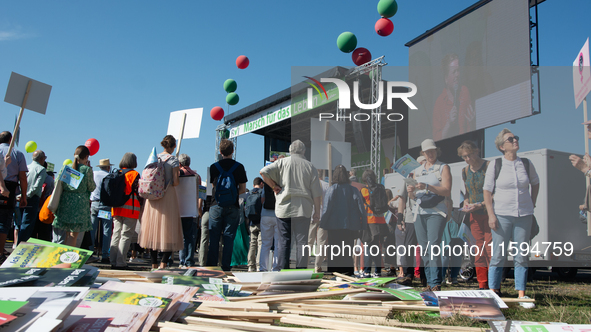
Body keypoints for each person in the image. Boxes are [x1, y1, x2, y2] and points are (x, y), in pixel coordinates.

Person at [483, 129, 538, 309]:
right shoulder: (495, 164)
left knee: (522, 255)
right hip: (501, 215)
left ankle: (521, 293)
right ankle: (493, 292)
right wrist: (491, 214)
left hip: (524, 215)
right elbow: (487, 191)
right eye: (510, 139)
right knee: (498, 255)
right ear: (501, 146)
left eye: (516, 138)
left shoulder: (526, 164)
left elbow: (535, 183)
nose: (515, 141)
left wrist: (532, 204)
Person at [260, 140, 322, 270]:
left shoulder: (282, 162)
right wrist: (317, 212)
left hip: (284, 208)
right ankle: (300, 271)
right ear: (304, 151)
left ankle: (283, 272)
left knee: (283, 242)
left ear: (290, 151)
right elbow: (316, 193)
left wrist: (273, 186)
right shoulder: (310, 167)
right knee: (302, 243)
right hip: (303, 209)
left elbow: (263, 171)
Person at [407, 139, 452, 292]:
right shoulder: (417, 170)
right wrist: (410, 192)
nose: (430, 154)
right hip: (419, 212)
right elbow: (414, 197)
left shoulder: (443, 167)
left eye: (432, 150)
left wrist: (428, 186)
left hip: (437, 212)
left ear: (436, 150)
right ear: (423, 153)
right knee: (425, 248)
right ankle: (429, 283)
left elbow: (446, 190)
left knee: (433, 247)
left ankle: (435, 283)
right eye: (427, 152)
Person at [139, 135, 184, 269]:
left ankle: (153, 263)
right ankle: (163, 263)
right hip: (167, 195)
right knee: (169, 229)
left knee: (152, 229)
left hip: (153, 197)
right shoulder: (173, 160)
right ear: (174, 146)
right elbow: (176, 182)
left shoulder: (154, 157)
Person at [206, 139, 247, 271]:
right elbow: (242, 189)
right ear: (233, 151)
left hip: (216, 205)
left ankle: (212, 267)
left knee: (214, 238)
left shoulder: (214, 167)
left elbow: (213, 187)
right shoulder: (239, 167)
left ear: (220, 151)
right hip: (233, 206)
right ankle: (226, 268)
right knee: (229, 238)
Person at [319, 165, 367, 274]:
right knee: (347, 250)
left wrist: (322, 224)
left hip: (333, 226)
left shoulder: (332, 189)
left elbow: (327, 209)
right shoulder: (354, 190)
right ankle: (347, 272)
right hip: (350, 225)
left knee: (334, 250)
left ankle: (334, 272)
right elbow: (361, 208)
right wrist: (363, 225)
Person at [458, 140, 491, 289]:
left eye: (469, 155)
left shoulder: (489, 166)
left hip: (489, 212)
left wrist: (481, 204)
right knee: (478, 248)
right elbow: (467, 193)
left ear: (477, 151)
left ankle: (494, 285)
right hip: (474, 214)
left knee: (490, 248)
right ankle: (482, 284)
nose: (467, 159)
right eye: (464, 156)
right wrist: (466, 203)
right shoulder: (465, 171)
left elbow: (496, 192)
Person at [53, 145, 96, 247]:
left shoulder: (66, 168)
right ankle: (68, 259)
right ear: (86, 157)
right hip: (79, 205)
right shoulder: (86, 170)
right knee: (74, 235)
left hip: (65, 202)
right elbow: (92, 187)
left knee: (65, 234)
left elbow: (57, 183)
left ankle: (60, 257)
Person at [109, 153, 141, 269]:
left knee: (116, 234)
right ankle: (121, 262)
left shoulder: (116, 173)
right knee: (126, 235)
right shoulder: (135, 174)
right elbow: (139, 192)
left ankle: (112, 260)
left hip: (116, 208)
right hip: (130, 208)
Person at [432, 54, 475, 141]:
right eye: (454, 72)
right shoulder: (439, 102)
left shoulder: (464, 91)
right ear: (446, 78)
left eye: (458, 70)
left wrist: (473, 121)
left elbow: (470, 126)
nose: (457, 75)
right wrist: (449, 123)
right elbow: (436, 139)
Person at [0, 131, 28, 260]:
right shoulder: (17, 154)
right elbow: (22, 177)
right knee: (4, 221)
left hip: (7, 186)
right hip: (9, 187)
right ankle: (0, 252)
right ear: (11, 139)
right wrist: (23, 196)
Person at [359, 169, 388, 278]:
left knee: (368, 247)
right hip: (380, 221)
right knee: (376, 247)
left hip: (369, 222)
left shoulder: (364, 190)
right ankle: (377, 271)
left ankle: (366, 271)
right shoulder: (380, 188)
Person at [178, 153, 202, 268]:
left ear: (179, 163)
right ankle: (189, 261)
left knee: (181, 236)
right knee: (191, 237)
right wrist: (198, 210)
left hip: (179, 209)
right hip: (192, 209)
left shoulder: (177, 174)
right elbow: (200, 195)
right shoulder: (197, 176)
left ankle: (181, 260)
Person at [396, 174, 420, 286]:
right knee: (408, 247)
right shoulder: (409, 179)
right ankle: (409, 275)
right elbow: (402, 199)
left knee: (426, 247)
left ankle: (425, 275)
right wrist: (400, 217)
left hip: (425, 214)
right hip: (411, 217)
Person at [19, 150, 47, 244]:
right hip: (32, 198)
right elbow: (37, 186)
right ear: (42, 159)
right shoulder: (41, 169)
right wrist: (27, 196)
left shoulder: (27, 167)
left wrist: (22, 195)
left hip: (22, 196)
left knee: (20, 223)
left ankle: (18, 243)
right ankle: (21, 246)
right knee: (27, 224)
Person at [91, 158, 114, 263]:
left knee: (92, 229)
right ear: (108, 167)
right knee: (106, 230)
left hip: (94, 203)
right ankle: (105, 255)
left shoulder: (94, 174)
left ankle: (90, 252)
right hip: (105, 205)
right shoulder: (109, 176)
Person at [308, 170, 330, 273]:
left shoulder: (310, 184)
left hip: (312, 214)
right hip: (324, 216)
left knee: (309, 240)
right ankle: (317, 265)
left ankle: (305, 263)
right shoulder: (327, 186)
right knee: (321, 242)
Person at [259, 181, 280, 272]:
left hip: (266, 215)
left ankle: (263, 268)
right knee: (278, 244)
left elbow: (262, 200)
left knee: (265, 244)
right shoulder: (281, 184)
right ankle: (275, 268)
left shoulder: (266, 184)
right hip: (279, 215)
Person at [247, 178, 264, 272]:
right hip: (261, 220)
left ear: (254, 185)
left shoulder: (249, 193)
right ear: (261, 183)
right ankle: (258, 265)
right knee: (260, 243)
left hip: (251, 221)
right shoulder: (262, 192)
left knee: (252, 243)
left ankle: (250, 265)